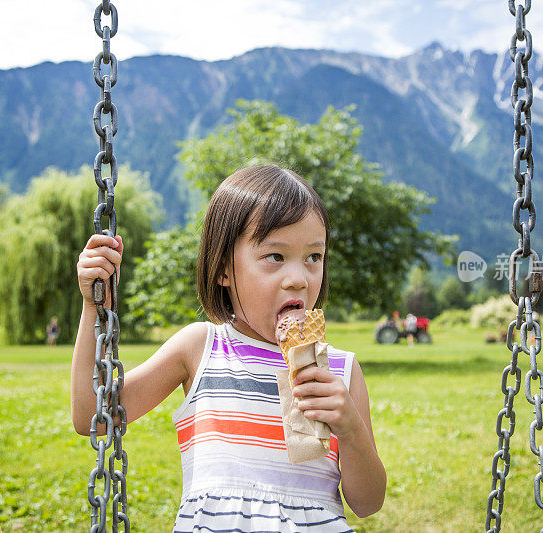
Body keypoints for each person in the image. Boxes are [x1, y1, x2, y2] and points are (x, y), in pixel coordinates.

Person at [71, 165, 386, 531]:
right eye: (275, 257)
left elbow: (367, 503)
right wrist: (95, 306)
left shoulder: (342, 373)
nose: (299, 279)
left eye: (314, 257)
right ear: (224, 270)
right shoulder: (200, 348)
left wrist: (350, 428)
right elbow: (92, 415)